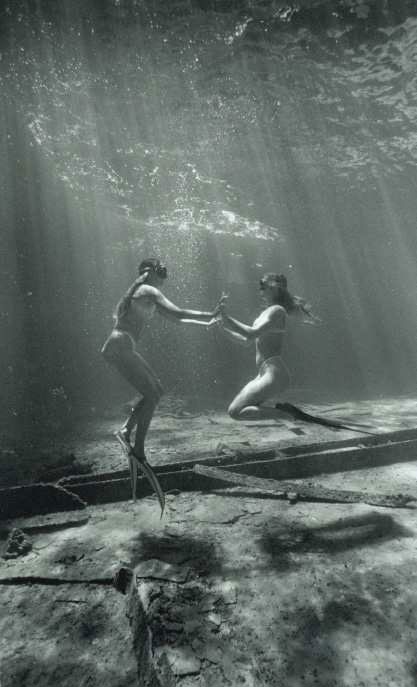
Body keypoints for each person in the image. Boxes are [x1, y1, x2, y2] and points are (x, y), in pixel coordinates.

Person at [101, 258, 225, 510]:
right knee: (152, 392)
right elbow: (179, 313)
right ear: (154, 272)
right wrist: (210, 313)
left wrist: (206, 321)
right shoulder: (149, 290)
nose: (165, 278)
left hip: (120, 344)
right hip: (121, 344)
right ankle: (137, 449)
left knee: (156, 391)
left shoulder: (142, 292)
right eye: (163, 273)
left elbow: (177, 320)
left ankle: (126, 433)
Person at [215, 273, 320, 422]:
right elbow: (246, 340)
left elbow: (251, 333)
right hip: (264, 373)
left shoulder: (278, 311)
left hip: (274, 373)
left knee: (236, 411)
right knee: (234, 410)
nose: (260, 291)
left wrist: (226, 317)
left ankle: (289, 416)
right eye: (260, 287)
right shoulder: (265, 313)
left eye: (263, 286)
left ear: (276, 288)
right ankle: (287, 414)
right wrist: (222, 329)